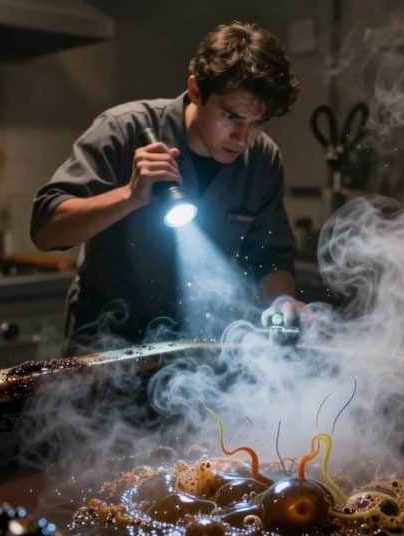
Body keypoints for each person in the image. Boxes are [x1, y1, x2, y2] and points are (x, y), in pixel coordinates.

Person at [30, 21, 305, 353]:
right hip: (104, 346)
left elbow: (270, 257)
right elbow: (46, 231)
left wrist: (281, 303)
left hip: (196, 347)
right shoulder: (123, 130)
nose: (243, 138)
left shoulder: (262, 159)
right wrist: (129, 196)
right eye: (231, 117)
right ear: (195, 90)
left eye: (257, 123)